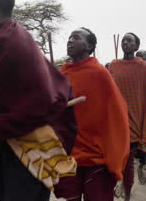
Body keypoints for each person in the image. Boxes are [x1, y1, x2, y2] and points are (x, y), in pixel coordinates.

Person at [0, 0, 77, 201]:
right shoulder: (8, 35)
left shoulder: (8, 41)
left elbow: (40, 105)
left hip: (32, 143)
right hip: (10, 139)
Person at [54, 28, 129, 201]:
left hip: (96, 157)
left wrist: (115, 155)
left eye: (76, 37)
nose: (70, 40)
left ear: (89, 46)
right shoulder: (63, 74)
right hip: (68, 153)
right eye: (69, 37)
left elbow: (116, 114)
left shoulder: (100, 74)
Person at [109, 33, 146, 200]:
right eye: (123, 40)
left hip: (133, 125)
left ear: (136, 47)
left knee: (128, 167)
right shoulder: (113, 65)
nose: (125, 43)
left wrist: (145, 127)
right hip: (114, 124)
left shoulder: (143, 67)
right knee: (112, 164)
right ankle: (115, 186)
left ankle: (127, 195)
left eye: (129, 41)